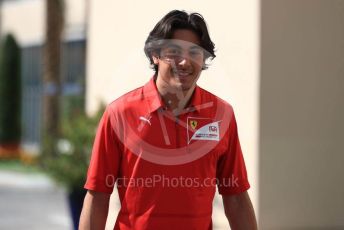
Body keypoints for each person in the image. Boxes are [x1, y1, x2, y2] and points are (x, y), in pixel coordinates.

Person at [79, 10, 257, 230]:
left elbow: (236, 197)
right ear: (155, 55)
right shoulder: (120, 113)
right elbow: (98, 195)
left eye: (195, 52)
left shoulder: (222, 115)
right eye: (173, 52)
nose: (184, 62)